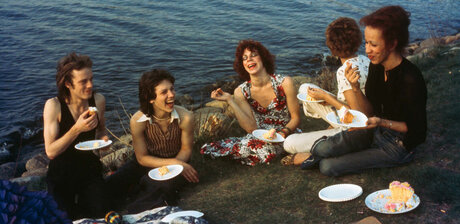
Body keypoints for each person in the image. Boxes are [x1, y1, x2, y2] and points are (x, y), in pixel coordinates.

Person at [300, 5, 427, 176]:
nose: (367, 50)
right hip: (374, 130)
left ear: (392, 44)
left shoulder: (410, 78)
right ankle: (321, 152)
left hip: (398, 145)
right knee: (323, 148)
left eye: (373, 44)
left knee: (328, 167)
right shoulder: (376, 67)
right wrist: (355, 89)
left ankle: (323, 156)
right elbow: (367, 113)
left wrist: (382, 122)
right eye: (366, 42)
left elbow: (417, 131)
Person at [282, 17, 370, 165]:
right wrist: (326, 97)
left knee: (289, 143)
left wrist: (327, 98)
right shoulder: (365, 60)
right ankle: (330, 130)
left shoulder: (344, 71)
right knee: (305, 88)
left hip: (353, 128)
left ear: (332, 47)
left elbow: (357, 117)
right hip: (354, 115)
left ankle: (320, 147)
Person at [200, 39, 300, 166]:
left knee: (265, 150)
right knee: (251, 147)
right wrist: (230, 100)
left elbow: (296, 118)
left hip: (287, 133)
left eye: (254, 55)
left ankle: (237, 155)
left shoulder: (285, 82)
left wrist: (283, 132)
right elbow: (251, 128)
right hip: (260, 136)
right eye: (245, 58)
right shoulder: (241, 91)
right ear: (242, 64)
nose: (249, 60)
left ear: (263, 58)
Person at [43, 52, 110, 219]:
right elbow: (51, 152)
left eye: (91, 79)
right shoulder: (54, 106)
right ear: (67, 84)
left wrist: (104, 141)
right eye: (83, 82)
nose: (90, 85)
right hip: (61, 174)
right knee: (63, 217)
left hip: (89, 168)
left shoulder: (98, 100)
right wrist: (76, 129)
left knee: (101, 213)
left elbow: (101, 130)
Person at [124, 69, 199, 213]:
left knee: (160, 184)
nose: (172, 95)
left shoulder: (186, 117)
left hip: (178, 161)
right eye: (164, 92)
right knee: (114, 183)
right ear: (150, 98)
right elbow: (142, 158)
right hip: (148, 162)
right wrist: (174, 163)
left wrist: (176, 165)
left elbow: (186, 150)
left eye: (172, 89)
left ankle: (135, 212)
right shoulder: (137, 121)